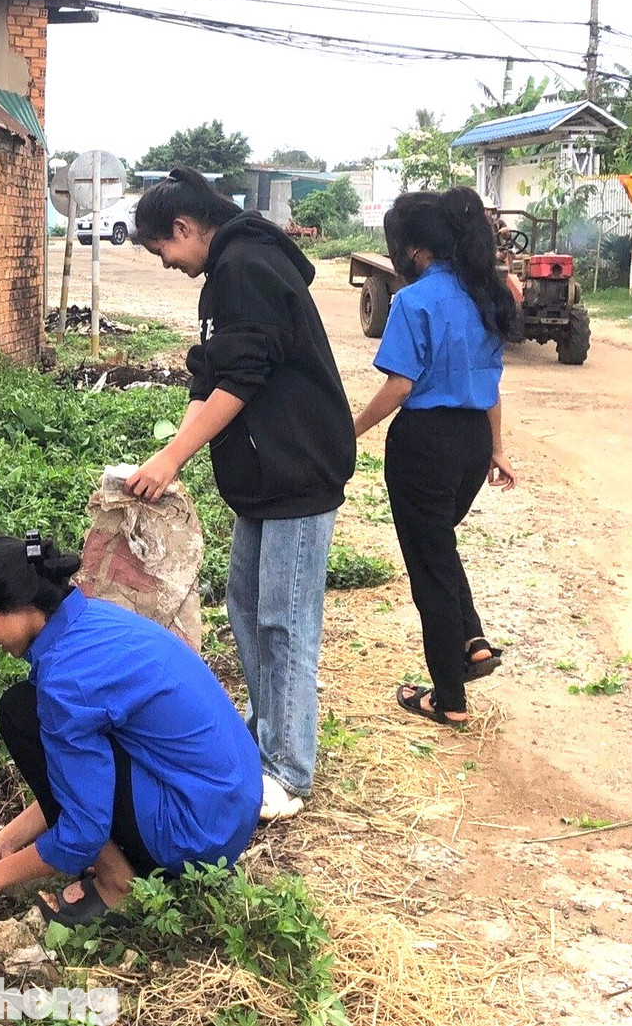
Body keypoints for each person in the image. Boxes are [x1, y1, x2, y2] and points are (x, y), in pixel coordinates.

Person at [124, 169, 355, 821]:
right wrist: (169, 453)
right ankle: (265, 740)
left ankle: (288, 769)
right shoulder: (225, 273)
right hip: (263, 476)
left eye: (161, 249)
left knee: (284, 620)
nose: (166, 263)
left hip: (299, 471)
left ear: (185, 228)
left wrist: (174, 456)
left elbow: (242, 379)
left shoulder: (247, 267)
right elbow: (212, 373)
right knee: (247, 608)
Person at [0, 535, 261, 928]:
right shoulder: (94, 620)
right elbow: (83, 775)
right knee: (41, 715)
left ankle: (115, 884)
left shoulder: (66, 680)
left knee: (21, 713)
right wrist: (5, 842)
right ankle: (129, 861)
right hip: (226, 810)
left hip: (194, 833)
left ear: (16, 604)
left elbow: (82, 833)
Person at [353, 187, 518, 726]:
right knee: (439, 551)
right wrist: (496, 449)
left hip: (424, 443)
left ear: (415, 249)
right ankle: (471, 642)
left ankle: (448, 699)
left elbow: (401, 386)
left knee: (429, 566)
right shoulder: (487, 294)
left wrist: (350, 429)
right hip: (472, 442)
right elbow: (490, 384)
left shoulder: (414, 300)